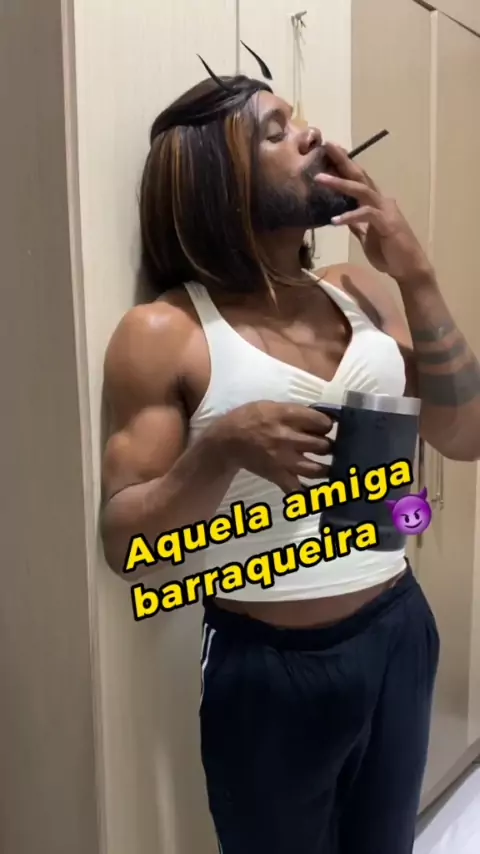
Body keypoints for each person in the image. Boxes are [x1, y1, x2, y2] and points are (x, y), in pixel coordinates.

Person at [100, 68, 480, 854]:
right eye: (277, 130)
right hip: (268, 666)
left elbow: (465, 435)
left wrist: (416, 274)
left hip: (399, 630)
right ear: (219, 181)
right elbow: (124, 543)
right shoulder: (167, 332)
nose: (313, 135)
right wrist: (221, 447)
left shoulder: (358, 291)